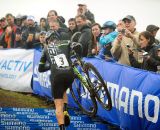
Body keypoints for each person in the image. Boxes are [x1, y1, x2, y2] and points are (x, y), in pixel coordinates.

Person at [38, 31, 82, 130]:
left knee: (58, 106)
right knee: (63, 89)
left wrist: (50, 65)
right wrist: (80, 56)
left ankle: (62, 128)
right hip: (70, 75)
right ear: (58, 38)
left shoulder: (46, 48)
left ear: (48, 40)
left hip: (56, 77)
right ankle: (65, 109)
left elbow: (40, 69)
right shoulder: (66, 41)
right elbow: (78, 46)